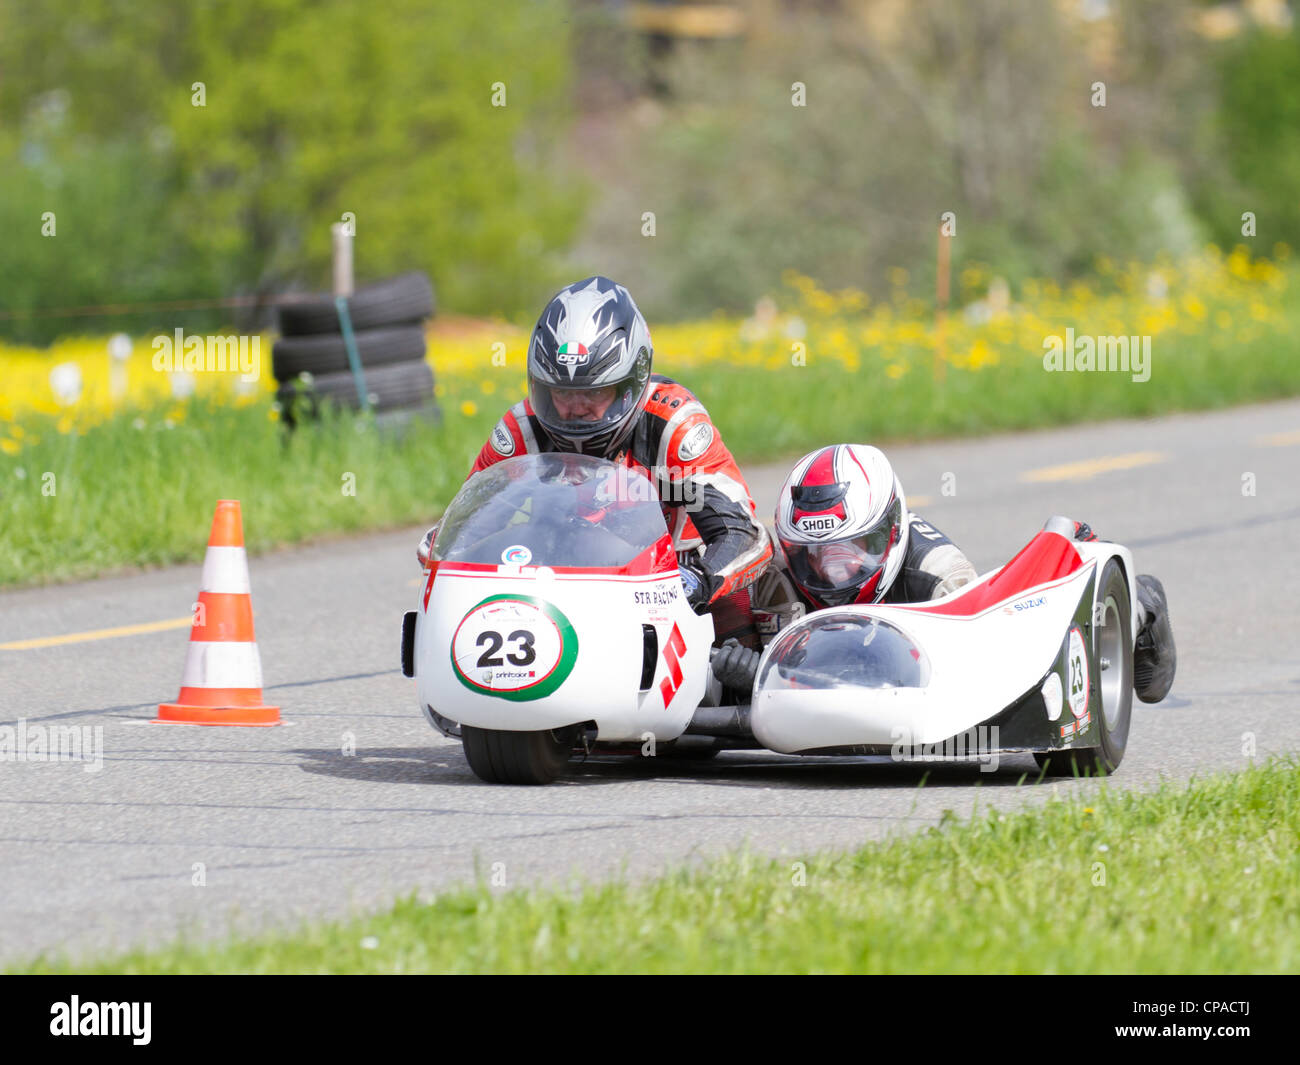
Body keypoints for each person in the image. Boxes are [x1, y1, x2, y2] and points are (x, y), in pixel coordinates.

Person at [417, 275, 772, 645]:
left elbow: (744, 535)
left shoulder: (672, 425)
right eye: (561, 392)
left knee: (743, 612)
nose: (574, 409)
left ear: (630, 384)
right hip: (559, 585)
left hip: (671, 583)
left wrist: (695, 581)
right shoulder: (523, 429)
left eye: (595, 392)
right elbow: (453, 537)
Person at [711, 443, 1176, 705]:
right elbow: (723, 658)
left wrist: (772, 677)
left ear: (887, 535)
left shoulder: (937, 574)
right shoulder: (770, 569)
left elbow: (986, 676)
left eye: (851, 550)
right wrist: (739, 667)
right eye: (813, 553)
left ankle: (1139, 609)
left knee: (1031, 616)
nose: (833, 570)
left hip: (945, 648)